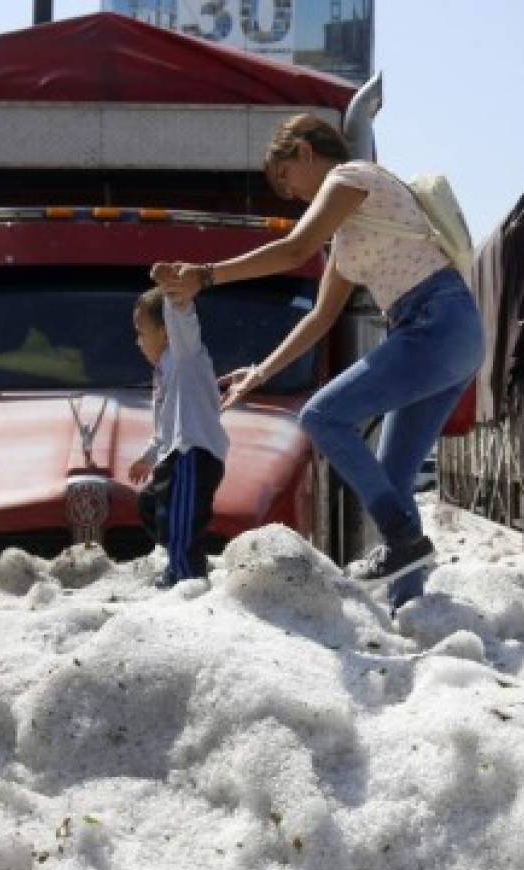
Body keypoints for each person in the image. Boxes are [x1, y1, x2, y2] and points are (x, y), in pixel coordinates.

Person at [151, 113, 484, 607]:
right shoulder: (348, 239)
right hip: (445, 334)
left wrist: (206, 274)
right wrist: (262, 370)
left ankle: (405, 541)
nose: (293, 196)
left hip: (436, 322)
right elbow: (320, 318)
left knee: (322, 416)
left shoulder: (351, 177)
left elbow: (293, 250)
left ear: (305, 150)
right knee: (393, 476)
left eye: (287, 179)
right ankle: (409, 606)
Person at [129, 286, 228, 588]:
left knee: (181, 520)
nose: (138, 342)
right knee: (152, 505)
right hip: (173, 454)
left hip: (193, 454)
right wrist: (148, 456)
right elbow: (164, 427)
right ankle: (182, 558)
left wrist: (175, 295)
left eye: (143, 332)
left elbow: (183, 320)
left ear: (166, 332)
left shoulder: (185, 357)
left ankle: (186, 576)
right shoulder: (162, 371)